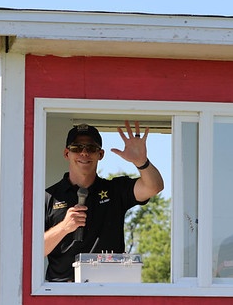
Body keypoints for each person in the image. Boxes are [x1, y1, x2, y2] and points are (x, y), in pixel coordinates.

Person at [44, 121, 164, 282]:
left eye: (91, 148)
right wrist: (64, 227)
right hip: (59, 292)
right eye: (77, 148)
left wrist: (141, 162)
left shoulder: (115, 190)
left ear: (100, 154)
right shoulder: (48, 196)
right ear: (67, 154)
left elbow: (153, 187)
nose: (84, 153)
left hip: (108, 291)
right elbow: (33, 251)